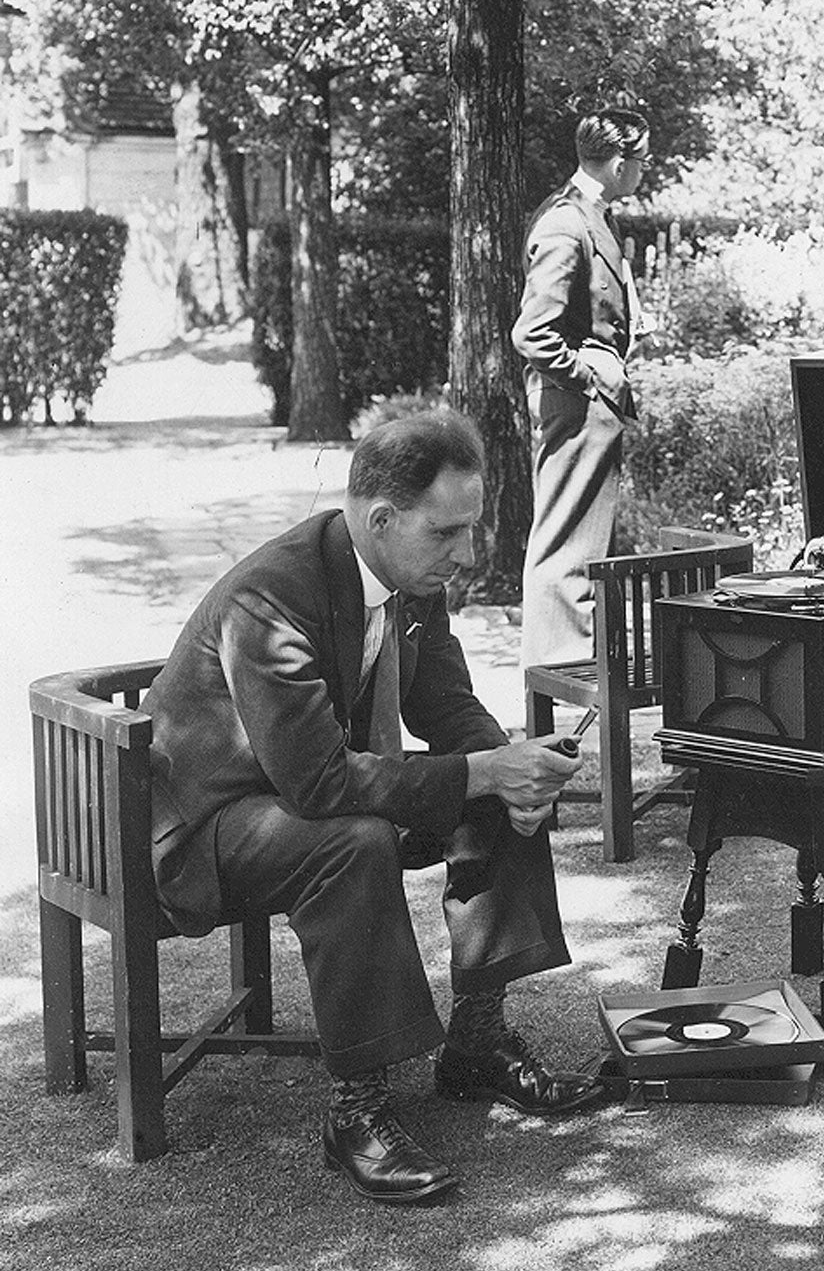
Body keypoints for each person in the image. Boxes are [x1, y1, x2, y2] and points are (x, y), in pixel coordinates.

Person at [143, 409, 610, 1207]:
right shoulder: (271, 595)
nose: (465, 555)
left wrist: (516, 772)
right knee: (354, 838)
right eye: (447, 533)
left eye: (470, 530)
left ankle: (476, 1042)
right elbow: (319, 786)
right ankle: (356, 1110)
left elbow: (452, 712)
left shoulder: (407, 579)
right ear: (382, 519)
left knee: (491, 783)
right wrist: (484, 770)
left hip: (298, 799)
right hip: (206, 830)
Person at [513, 106, 650, 669]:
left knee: (578, 534)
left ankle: (569, 654)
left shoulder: (589, 212)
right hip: (577, 400)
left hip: (583, 399)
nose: (643, 171)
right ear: (619, 162)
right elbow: (533, 333)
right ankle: (561, 660)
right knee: (564, 535)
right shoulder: (567, 223)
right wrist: (588, 377)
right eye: (641, 161)